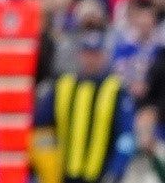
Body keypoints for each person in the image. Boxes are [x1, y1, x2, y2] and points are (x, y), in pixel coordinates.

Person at [42, 33, 133, 183]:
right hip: (64, 174)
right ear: (79, 55)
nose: (90, 59)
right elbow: (42, 127)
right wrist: (48, 166)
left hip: (100, 175)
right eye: (87, 54)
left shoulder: (115, 90)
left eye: (95, 54)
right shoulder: (63, 86)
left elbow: (126, 137)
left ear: (104, 57)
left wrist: (115, 170)